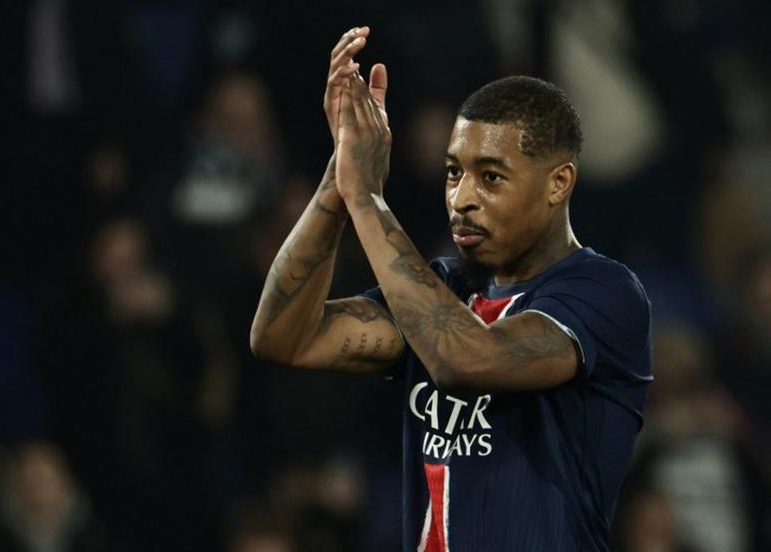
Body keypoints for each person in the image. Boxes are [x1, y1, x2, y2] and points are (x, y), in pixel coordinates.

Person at [250, 26, 653, 551]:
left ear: (558, 183)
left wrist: (368, 199)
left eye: (490, 177)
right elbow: (283, 337)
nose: (461, 198)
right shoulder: (439, 290)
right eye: (452, 173)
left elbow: (466, 360)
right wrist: (339, 175)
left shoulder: (604, 294)